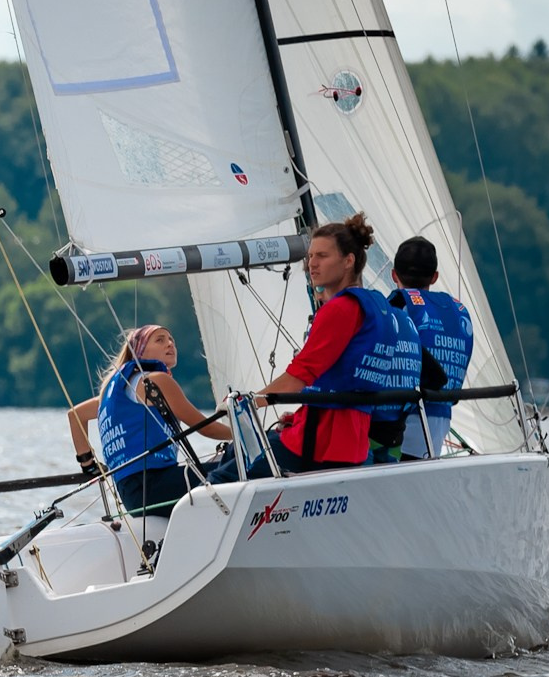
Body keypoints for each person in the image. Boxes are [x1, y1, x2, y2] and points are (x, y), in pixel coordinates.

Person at [255, 212, 422, 472]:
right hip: (354, 445)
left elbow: (299, 376)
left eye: (322, 256)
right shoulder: (380, 308)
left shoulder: (340, 309)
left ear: (348, 261)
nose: (311, 264)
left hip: (316, 444)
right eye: (310, 256)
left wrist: (245, 404)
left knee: (222, 474)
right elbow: (345, 378)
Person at [67, 324, 232, 515]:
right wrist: (246, 433)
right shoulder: (155, 381)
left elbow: (75, 415)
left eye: (171, 340)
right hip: (156, 487)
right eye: (160, 340)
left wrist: (88, 465)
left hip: (132, 495)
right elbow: (207, 428)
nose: (169, 344)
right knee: (249, 462)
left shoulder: (115, 391)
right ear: (139, 351)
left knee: (231, 459)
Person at [386, 235, 474, 460]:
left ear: (394, 274)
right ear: (434, 277)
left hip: (404, 419)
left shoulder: (399, 304)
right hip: (441, 418)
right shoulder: (459, 310)